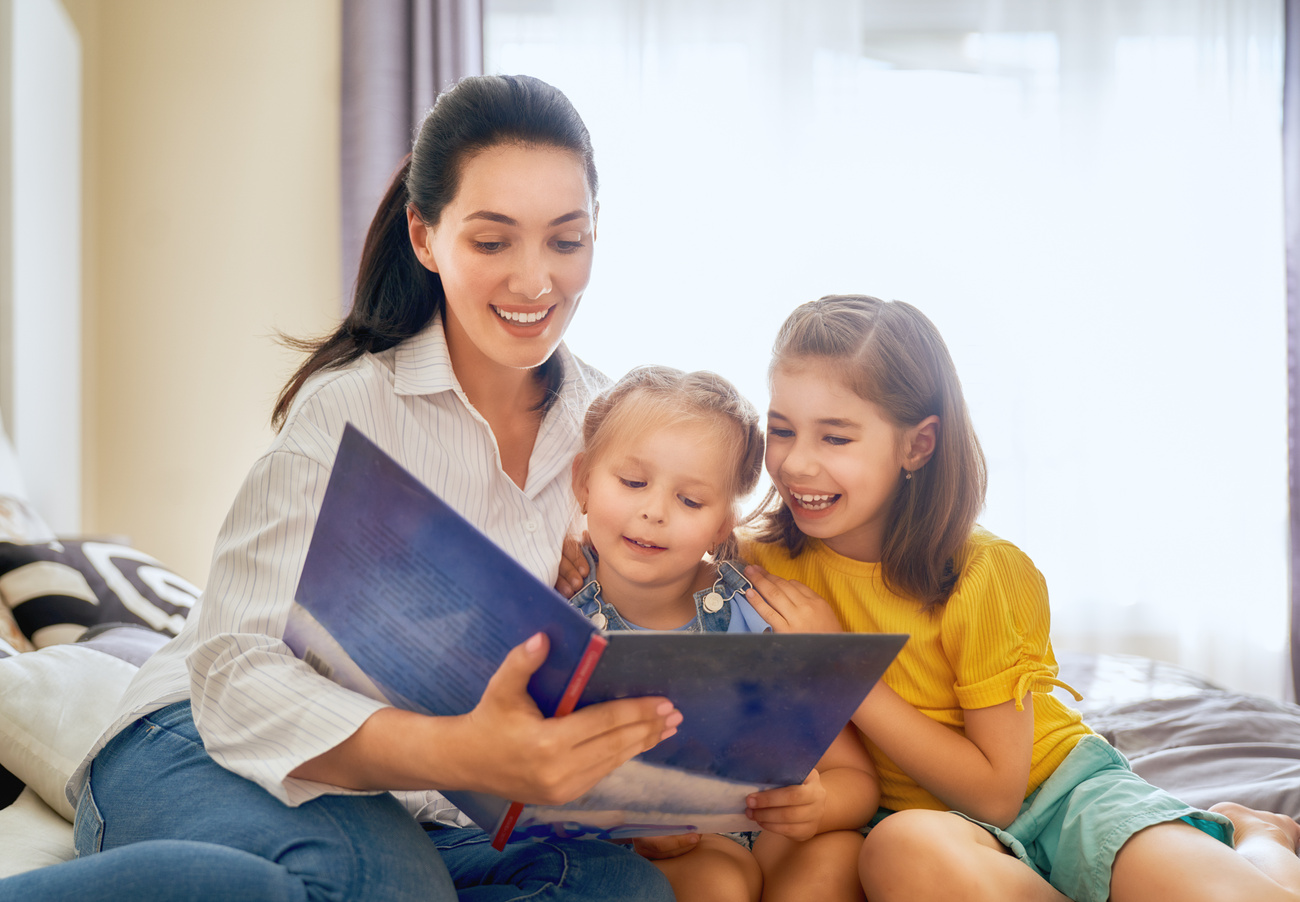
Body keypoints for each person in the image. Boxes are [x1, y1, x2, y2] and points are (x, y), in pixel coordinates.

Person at [0, 74, 681, 902]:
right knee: (378, 884)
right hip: (197, 741)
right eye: (492, 242)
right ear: (426, 238)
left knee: (622, 892)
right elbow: (231, 672)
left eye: (566, 242)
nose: (535, 282)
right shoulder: (350, 408)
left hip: (422, 807)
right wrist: (458, 751)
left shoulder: (612, 438)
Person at [739, 294, 1300, 902]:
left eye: (836, 438)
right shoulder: (759, 562)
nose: (796, 463)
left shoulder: (984, 572)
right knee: (900, 847)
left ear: (917, 446)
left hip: (1062, 798)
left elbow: (996, 796)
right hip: (927, 835)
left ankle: (1257, 838)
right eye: (782, 430)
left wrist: (839, 662)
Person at [559, 364, 881, 902]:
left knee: (839, 856)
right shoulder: (557, 607)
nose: (653, 511)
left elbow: (855, 778)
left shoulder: (755, 617)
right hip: (649, 847)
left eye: (691, 501)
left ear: (722, 524)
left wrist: (819, 805)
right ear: (583, 483)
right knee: (718, 883)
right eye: (633, 482)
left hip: (770, 830)